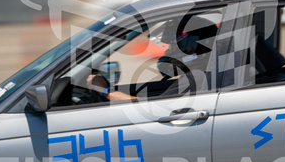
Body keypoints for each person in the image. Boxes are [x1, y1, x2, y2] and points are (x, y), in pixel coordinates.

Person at [87, 15, 218, 101]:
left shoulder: (195, 79)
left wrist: (105, 91)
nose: (167, 50)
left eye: (172, 46)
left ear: (190, 47)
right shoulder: (200, 75)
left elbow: (149, 110)